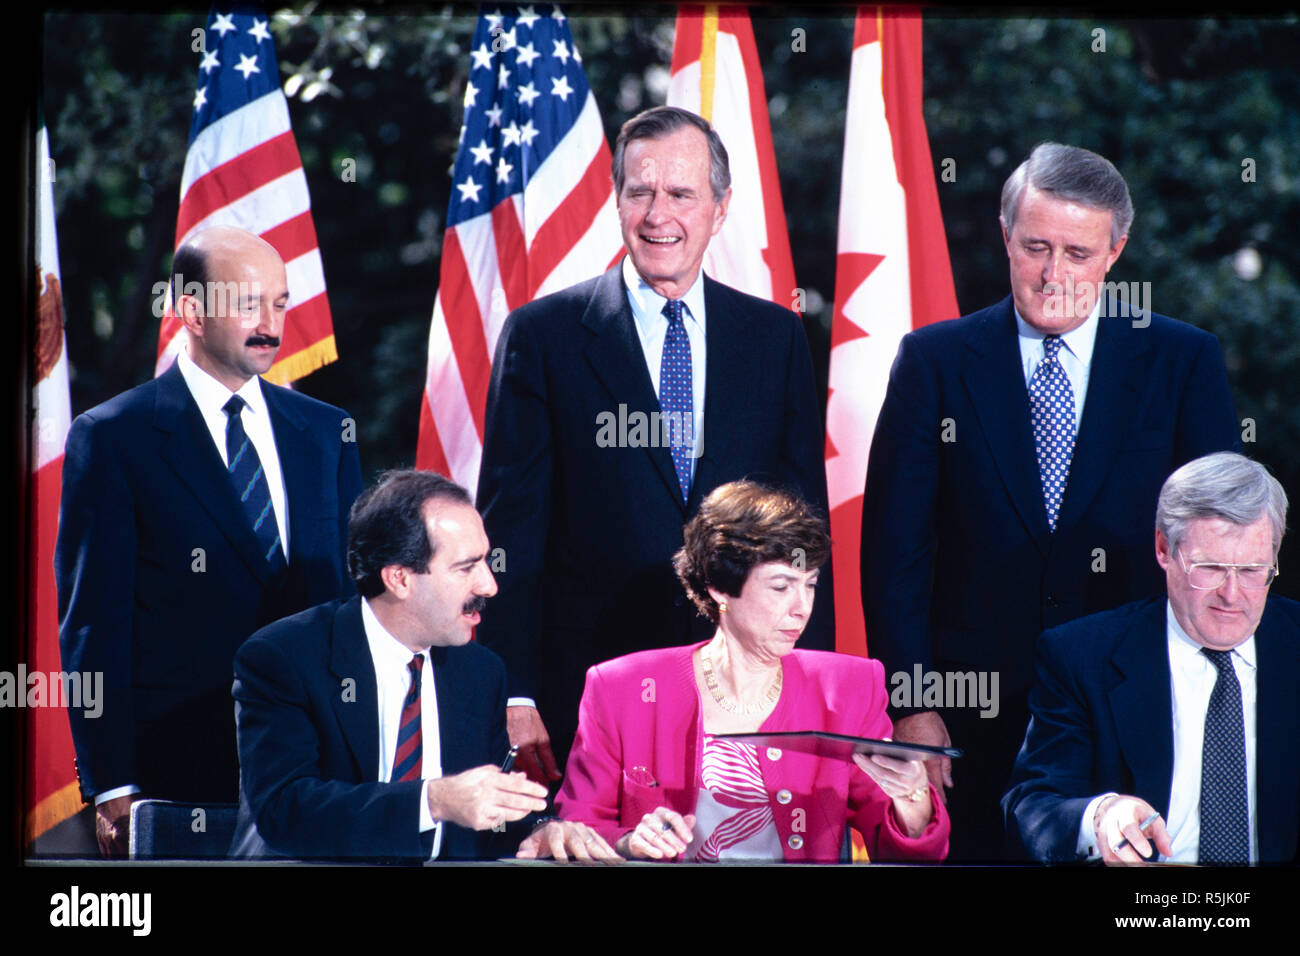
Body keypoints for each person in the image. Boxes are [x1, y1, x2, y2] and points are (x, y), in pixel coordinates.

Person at [860, 142, 1242, 861]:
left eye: (1076, 252)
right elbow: (894, 554)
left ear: (1115, 250)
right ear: (1007, 236)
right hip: (968, 718)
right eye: (1036, 246)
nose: (1052, 273)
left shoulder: (1182, 361)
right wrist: (911, 703)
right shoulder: (934, 362)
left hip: (1133, 700)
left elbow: (1221, 543)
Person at [477, 106, 833, 783]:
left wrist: (809, 686)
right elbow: (509, 535)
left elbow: (802, 532)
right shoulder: (542, 338)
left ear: (720, 208)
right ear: (617, 201)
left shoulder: (774, 338)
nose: (656, 213)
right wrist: (513, 691)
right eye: (639, 191)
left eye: (680, 193)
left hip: (746, 696)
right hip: (584, 695)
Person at [56, 226, 363, 857]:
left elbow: (348, 605)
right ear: (191, 310)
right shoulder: (114, 437)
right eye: (250, 303)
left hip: (320, 772)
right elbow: (94, 626)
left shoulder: (329, 433)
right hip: (176, 773)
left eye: (280, 303)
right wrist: (113, 782)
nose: (271, 323)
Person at [230, 470, 619, 863]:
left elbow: (484, 817)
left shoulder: (481, 672)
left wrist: (540, 830)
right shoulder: (284, 657)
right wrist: (432, 800)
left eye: (486, 560)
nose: (489, 585)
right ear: (399, 578)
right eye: (466, 567)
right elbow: (285, 812)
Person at [554, 481, 948, 862]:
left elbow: (903, 847)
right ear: (719, 588)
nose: (802, 607)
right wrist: (628, 844)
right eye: (781, 587)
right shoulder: (621, 688)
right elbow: (578, 826)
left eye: (809, 585)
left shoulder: (848, 687)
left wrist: (912, 798)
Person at [1004, 453, 1299, 864]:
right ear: (1163, 548)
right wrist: (1103, 815)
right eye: (1210, 568)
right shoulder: (1081, 656)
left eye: (1253, 570)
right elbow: (1032, 807)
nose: (1232, 595)